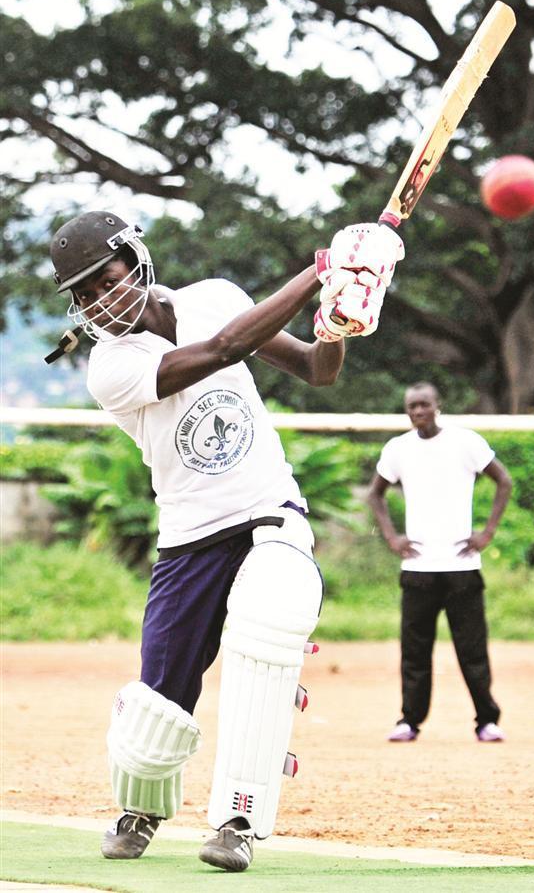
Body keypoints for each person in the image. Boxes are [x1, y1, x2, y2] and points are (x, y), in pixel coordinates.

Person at [48, 212, 404, 872]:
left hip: (268, 508)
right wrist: (323, 270)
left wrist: (335, 320)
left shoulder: (215, 296)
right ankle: (142, 807)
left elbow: (316, 371)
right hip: (189, 537)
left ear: (136, 257)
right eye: (85, 293)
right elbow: (222, 352)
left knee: (266, 633)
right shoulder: (111, 367)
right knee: (160, 698)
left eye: (106, 278)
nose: (100, 299)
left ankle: (237, 821)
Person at [367, 382, 512, 744]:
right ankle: (409, 721)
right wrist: (391, 537)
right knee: (414, 650)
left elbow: (503, 481)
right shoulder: (398, 449)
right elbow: (375, 494)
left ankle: (486, 720)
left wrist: (487, 532)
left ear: (438, 406)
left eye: (424, 405)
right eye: (412, 407)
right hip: (418, 570)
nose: (418, 412)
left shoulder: (465, 442)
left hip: (462, 568)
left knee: (472, 649)